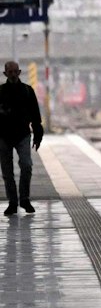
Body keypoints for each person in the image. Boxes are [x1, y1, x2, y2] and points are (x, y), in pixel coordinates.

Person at [0, 61, 41, 217]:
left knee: (26, 165)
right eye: (9, 71)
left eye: (15, 71)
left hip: (23, 134)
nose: (12, 74)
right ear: (5, 74)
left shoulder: (27, 91)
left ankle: (24, 199)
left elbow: (35, 115)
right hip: (4, 136)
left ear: (19, 72)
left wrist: (38, 133)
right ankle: (13, 202)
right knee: (7, 171)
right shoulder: (1, 92)